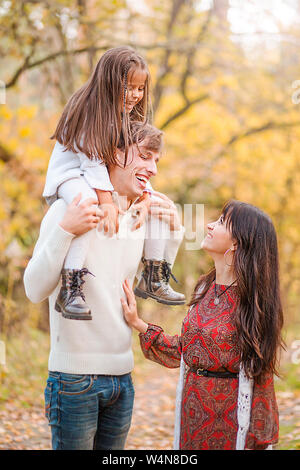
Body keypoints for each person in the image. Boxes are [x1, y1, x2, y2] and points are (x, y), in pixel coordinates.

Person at [23, 121, 185, 450]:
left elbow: (141, 285)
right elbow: (33, 289)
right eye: (145, 157)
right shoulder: (70, 209)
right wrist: (65, 230)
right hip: (73, 381)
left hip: (123, 379)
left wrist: (175, 230)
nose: (153, 169)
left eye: (157, 161)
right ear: (115, 153)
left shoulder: (138, 217)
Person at [121, 200, 284, 450]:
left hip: (229, 423)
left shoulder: (252, 303)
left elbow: (261, 376)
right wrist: (138, 323)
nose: (209, 225)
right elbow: (185, 350)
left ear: (236, 242)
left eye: (220, 222)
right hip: (192, 414)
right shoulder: (203, 288)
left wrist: (259, 440)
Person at [43, 45, 184, 321]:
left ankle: (154, 276)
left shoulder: (123, 115)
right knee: (90, 205)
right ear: (108, 81)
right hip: (71, 176)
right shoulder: (87, 109)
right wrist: (107, 203)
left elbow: (125, 160)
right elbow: (92, 163)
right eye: (128, 87)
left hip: (98, 176)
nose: (135, 95)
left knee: (157, 201)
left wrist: (145, 199)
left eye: (140, 88)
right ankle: (70, 286)